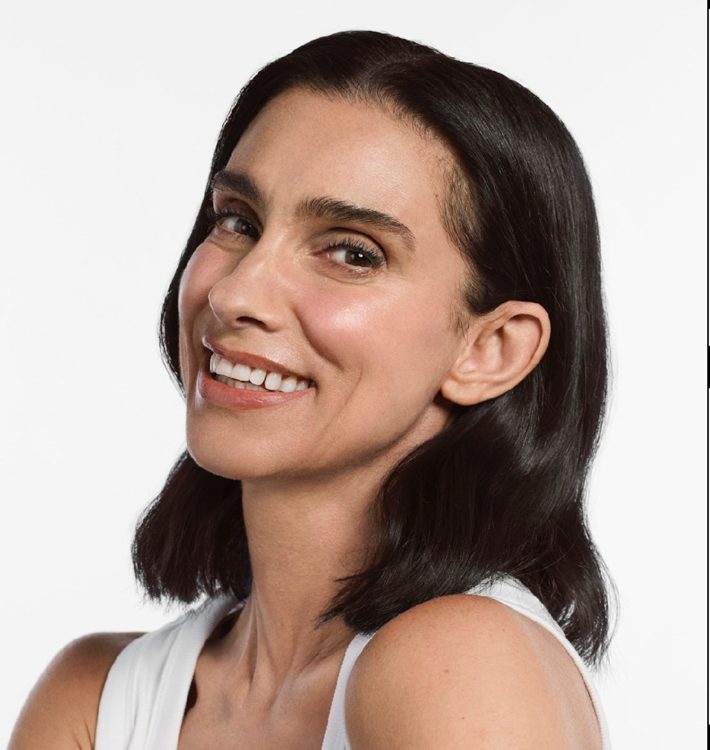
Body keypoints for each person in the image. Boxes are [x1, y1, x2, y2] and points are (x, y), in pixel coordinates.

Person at [10, 29, 615, 749]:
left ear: (490, 349)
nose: (234, 293)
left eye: (352, 252)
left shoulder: (458, 658)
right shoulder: (97, 694)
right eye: (238, 220)